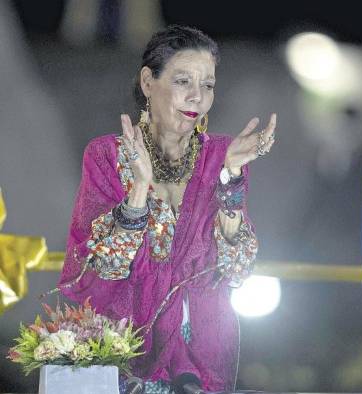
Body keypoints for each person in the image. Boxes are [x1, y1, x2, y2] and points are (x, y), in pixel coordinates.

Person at [58, 25, 277, 394]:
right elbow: (103, 267)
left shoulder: (221, 157)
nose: (197, 97)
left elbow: (237, 268)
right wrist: (139, 189)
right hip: (121, 347)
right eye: (182, 81)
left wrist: (232, 178)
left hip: (198, 356)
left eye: (207, 85)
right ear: (148, 82)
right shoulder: (108, 155)